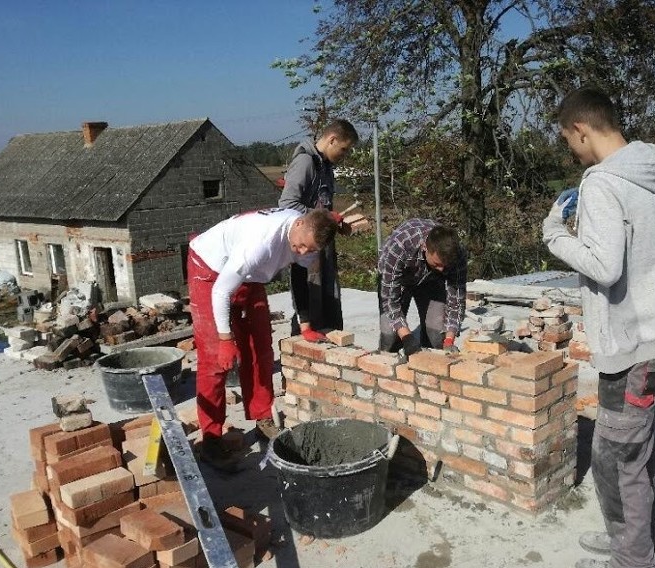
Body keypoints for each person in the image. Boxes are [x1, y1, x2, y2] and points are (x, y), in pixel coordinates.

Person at [542, 87, 655, 568]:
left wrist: (555, 234)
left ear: (581, 130)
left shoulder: (601, 183)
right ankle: (624, 540)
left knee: (620, 455)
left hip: (636, 345)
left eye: (570, 140)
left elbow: (606, 265)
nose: (573, 151)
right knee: (633, 445)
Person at [188, 208, 338, 472]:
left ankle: (262, 416)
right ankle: (210, 439)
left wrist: (305, 324)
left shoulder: (306, 236)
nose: (302, 252)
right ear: (299, 223)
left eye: (309, 249)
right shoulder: (260, 244)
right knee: (214, 361)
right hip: (210, 270)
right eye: (301, 245)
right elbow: (222, 290)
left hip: (249, 276)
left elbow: (301, 276)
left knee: (260, 349)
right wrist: (225, 339)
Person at [279, 119, 359, 343]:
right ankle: (304, 351)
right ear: (332, 139)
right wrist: (324, 217)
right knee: (310, 303)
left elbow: (324, 208)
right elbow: (286, 204)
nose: (344, 155)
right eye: (343, 149)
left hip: (322, 246)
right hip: (305, 248)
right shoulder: (305, 162)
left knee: (329, 301)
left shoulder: (326, 166)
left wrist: (336, 224)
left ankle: (331, 351)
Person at [377, 219, 467, 356]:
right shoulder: (399, 247)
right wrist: (406, 337)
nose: (442, 269)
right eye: (437, 264)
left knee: (436, 335)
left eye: (445, 265)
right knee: (390, 336)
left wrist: (449, 340)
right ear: (425, 247)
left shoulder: (456, 255)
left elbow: (456, 302)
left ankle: (428, 369)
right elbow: (390, 302)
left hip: (431, 280)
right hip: (399, 280)